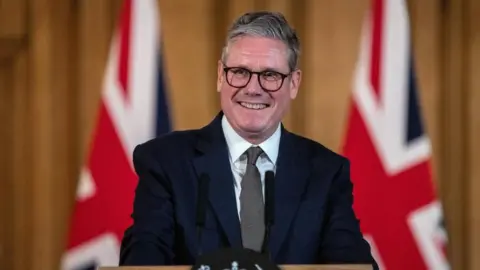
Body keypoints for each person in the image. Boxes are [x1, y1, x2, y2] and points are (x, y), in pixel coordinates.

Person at [119, 11, 378, 268]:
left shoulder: (326, 172)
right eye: (240, 72)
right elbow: (143, 258)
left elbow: (353, 264)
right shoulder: (166, 162)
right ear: (221, 75)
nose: (253, 89)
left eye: (270, 75)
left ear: (294, 83)